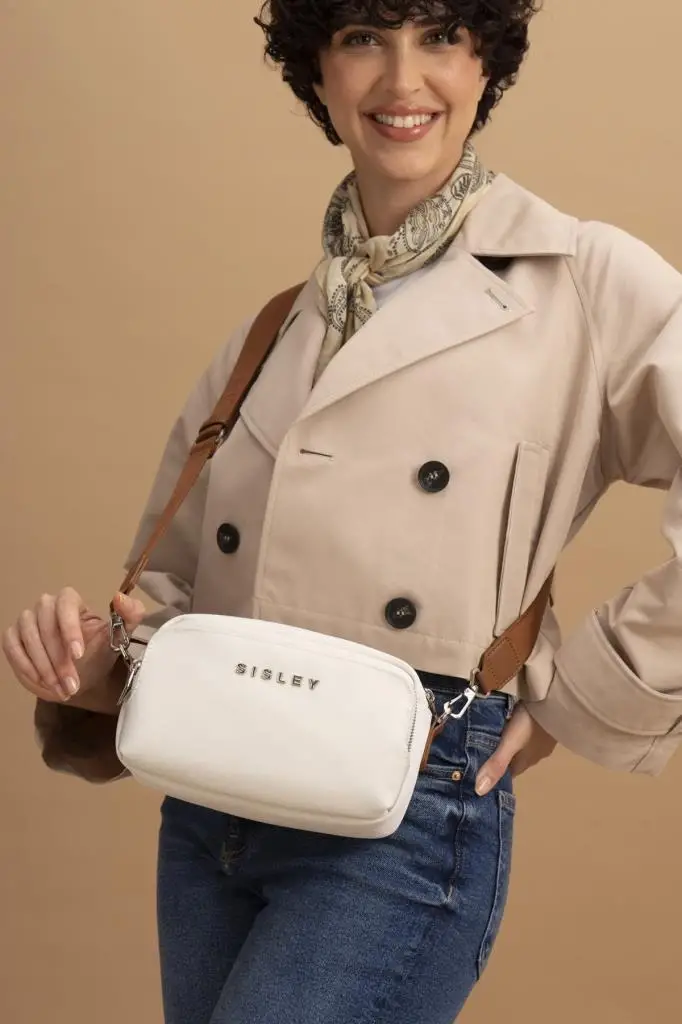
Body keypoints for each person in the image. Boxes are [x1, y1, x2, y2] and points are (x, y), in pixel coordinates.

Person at [4, 1, 682, 1021]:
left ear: (486, 63)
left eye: (440, 36)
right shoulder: (275, 329)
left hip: (402, 809)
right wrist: (96, 664)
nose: (403, 81)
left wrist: (586, 691)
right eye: (363, 38)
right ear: (315, 72)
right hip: (212, 808)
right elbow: (172, 593)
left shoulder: (579, 281)